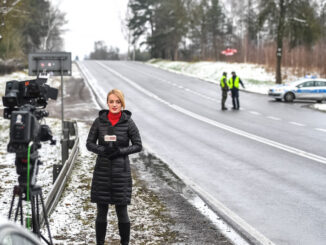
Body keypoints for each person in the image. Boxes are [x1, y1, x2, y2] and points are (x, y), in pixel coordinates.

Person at [86, 89, 142, 245]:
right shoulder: (99, 121)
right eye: (111, 101)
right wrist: (103, 150)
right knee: (101, 212)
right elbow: (89, 144)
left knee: (122, 212)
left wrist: (119, 151)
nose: (114, 105)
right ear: (107, 103)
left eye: (118, 102)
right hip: (102, 173)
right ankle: (100, 242)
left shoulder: (128, 122)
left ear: (122, 104)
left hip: (121, 174)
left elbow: (138, 145)